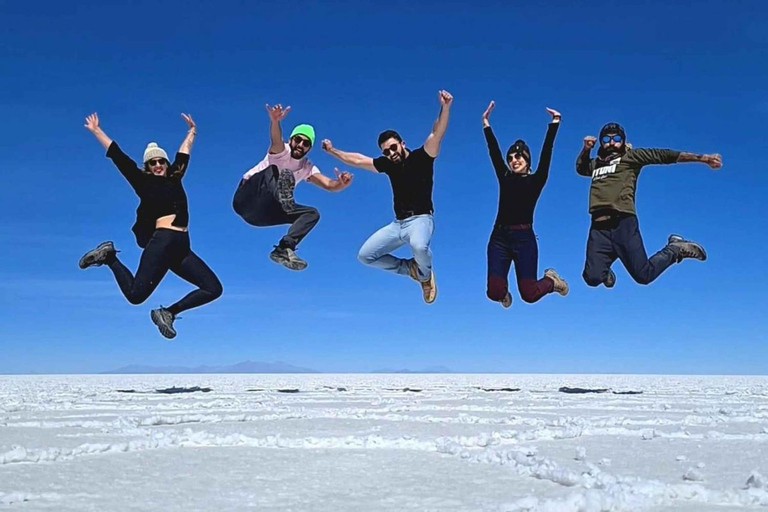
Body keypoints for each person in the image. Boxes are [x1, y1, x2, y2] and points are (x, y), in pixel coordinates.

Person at [79, 113, 222, 339]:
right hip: (162, 243)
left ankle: (167, 313)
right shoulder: (142, 182)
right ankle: (109, 258)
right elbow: (118, 157)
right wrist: (97, 131)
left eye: (161, 161)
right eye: (152, 162)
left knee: (213, 288)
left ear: (166, 163)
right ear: (148, 166)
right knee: (136, 296)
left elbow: (184, 154)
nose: (157, 165)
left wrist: (192, 131)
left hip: (182, 249)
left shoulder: (175, 177)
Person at [321, 90, 453, 304]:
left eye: (393, 147)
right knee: (365, 256)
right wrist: (332, 151)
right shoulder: (388, 165)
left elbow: (437, 132)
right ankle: (410, 269)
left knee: (419, 247)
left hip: (421, 219)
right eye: (386, 151)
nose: (391, 153)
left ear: (402, 143)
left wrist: (445, 107)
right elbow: (358, 160)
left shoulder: (423, 157)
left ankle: (425, 275)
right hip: (398, 225)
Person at [576, 122, 722, 288]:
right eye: (606, 139)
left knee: (643, 276)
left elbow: (664, 155)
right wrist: (586, 149)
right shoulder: (596, 164)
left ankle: (674, 249)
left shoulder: (631, 157)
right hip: (598, 228)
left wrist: (703, 158)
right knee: (592, 278)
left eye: (616, 138)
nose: (611, 142)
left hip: (623, 223)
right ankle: (604, 268)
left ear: (623, 140)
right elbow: (581, 168)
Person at [232, 104, 353, 270]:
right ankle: (281, 195)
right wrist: (274, 121)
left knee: (312, 213)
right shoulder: (282, 150)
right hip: (246, 198)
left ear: (309, 148)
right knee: (275, 170)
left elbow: (329, 185)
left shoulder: (307, 167)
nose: (300, 145)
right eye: (298, 140)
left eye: (305, 143)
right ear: (291, 140)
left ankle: (284, 248)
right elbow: (275, 140)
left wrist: (341, 183)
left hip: (259, 216)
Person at [482, 101, 568, 308]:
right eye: (510, 158)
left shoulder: (537, 180)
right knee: (494, 292)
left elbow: (547, 151)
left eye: (519, 156)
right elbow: (494, 152)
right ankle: (502, 293)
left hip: (524, 240)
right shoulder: (505, 177)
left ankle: (552, 281)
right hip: (499, 238)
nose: (514, 160)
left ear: (528, 159)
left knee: (529, 295)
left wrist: (554, 123)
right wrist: (486, 124)